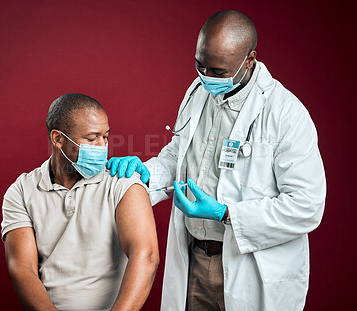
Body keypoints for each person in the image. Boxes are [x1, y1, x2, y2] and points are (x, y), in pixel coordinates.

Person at [107, 10, 326, 311]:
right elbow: (178, 154)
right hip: (196, 261)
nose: (206, 77)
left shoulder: (286, 114)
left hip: (250, 268)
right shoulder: (198, 92)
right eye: (200, 66)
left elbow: (307, 205)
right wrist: (147, 173)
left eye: (218, 71)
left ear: (249, 59)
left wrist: (226, 213)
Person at [1, 93, 159, 311]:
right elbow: (22, 267)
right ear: (58, 139)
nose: (102, 147)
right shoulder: (22, 191)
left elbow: (146, 255)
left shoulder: (122, 183)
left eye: (105, 136)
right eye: (92, 138)